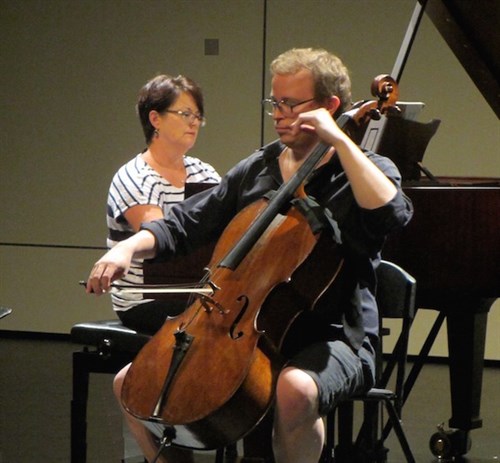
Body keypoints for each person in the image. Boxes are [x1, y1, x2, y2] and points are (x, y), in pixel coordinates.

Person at [87, 48, 413, 463]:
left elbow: (391, 213)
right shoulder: (259, 167)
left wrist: (340, 142)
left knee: (294, 390)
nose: (278, 114)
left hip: (334, 336)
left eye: (291, 104)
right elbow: (185, 223)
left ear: (330, 107)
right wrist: (129, 248)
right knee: (130, 383)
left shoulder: (366, 169)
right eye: (274, 103)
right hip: (248, 330)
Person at [106, 74, 220, 335]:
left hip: (192, 292)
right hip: (145, 299)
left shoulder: (204, 173)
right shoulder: (135, 176)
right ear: (155, 118)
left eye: (198, 115)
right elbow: (159, 247)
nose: (194, 122)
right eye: (185, 114)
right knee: (214, 329)